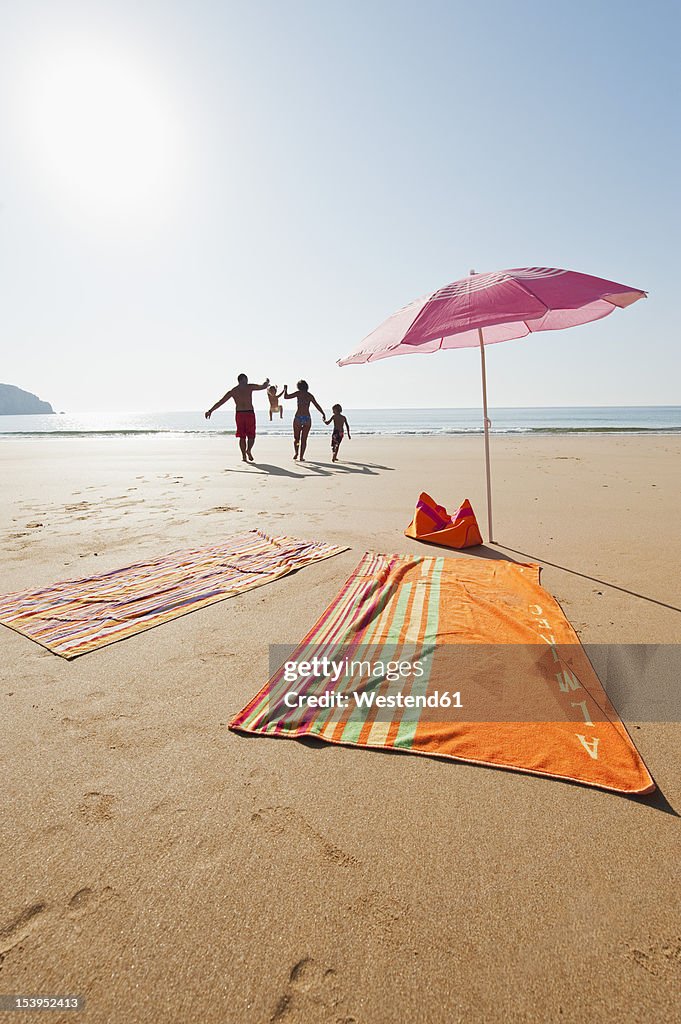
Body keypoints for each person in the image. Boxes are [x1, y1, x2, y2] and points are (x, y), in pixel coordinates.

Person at [205, 373, 270, 462]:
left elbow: (221, 402)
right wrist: (267, 382)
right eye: (246, 380)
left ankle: (245, 454)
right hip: (248, 413)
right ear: (243, 380)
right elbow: (263, 386)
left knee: (244, 436)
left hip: (240, 414)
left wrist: (210, 411)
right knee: (249, 436)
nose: (247, 381)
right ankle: (247, 451)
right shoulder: (249, 387)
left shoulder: (234, 391)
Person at [282, 380, 325, 461]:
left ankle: (296, 453)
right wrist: (323, 413)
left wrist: (285, 389)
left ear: (299, 387)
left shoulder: (298, 393)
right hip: (307, 418)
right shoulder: (309, 395)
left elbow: (286, 397)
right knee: (304, 439)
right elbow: (316, 405)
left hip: (298, 417)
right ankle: (301, 456)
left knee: (296, 439)